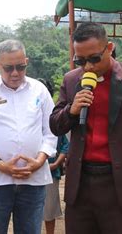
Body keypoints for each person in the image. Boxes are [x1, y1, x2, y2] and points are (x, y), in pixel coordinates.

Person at [49, 22, 122, 234]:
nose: (88, 67)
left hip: (121, 184)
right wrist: (71, 111)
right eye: (80, 60)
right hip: (80, 185)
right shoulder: (72, 79)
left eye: (94, 58)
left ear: (109, 48)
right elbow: (55, 126)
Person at [0, 39, 58, 234]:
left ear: (26, 61)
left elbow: (51, 130)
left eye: (21, 67)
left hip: (33, 178)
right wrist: (1, 164)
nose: (15, 73)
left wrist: (40, 160)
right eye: (9, 68)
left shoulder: (40, 90)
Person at [38, 78, 69, 234]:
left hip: (51, 171)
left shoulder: (55, 116)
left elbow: (64, 144)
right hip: (32, 171)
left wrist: (56, 164)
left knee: (49, 208)